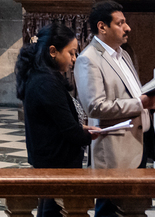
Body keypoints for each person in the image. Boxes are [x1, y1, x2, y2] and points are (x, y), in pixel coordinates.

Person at [74, 1, 155, 217]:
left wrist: (150, 106)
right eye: (120, 23)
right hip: (114, 151)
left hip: (137, 144)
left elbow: (131, 95)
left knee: (133, 210)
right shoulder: (89, 59)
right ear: (102, 27)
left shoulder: (123, 54)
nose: (127, 28)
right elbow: (95, 107)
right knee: (110, 210)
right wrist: (141, 103)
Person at [15, 22, 101, 217]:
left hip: (52, 162)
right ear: (53, 51)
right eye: (71, 53)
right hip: (56, 164)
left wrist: (82, 129)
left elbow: (57, 120)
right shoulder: (46, 82)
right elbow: (69, 131)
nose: (74, 59)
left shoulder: (42, 76)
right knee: (53, 211)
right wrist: (86, 135)